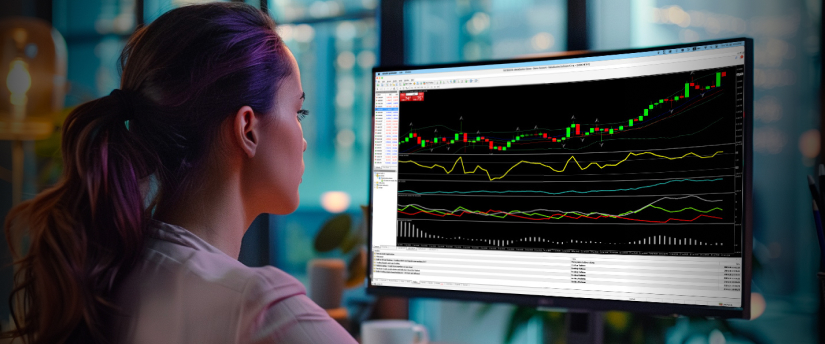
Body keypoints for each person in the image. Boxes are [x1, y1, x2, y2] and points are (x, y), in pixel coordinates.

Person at [2, 3, 358, 344]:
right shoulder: (259, 306)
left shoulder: (102, 273)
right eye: (300, 111)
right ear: (248, 129)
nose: (304, 141)